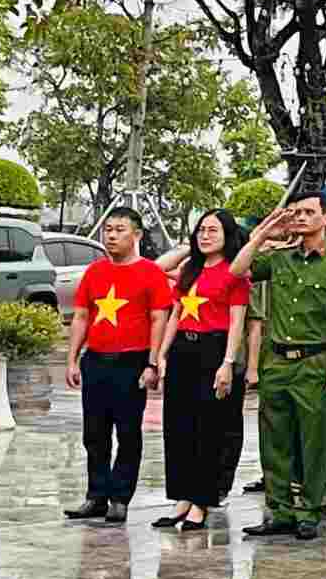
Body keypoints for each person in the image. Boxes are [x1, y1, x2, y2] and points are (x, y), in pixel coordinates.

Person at [230, 193, 326, 540]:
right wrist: (263, 233)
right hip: (277, 361)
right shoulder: (280, 257)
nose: (300, 218)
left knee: (313, 441)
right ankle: (280, 510)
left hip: (315, 360)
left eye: (308, 212)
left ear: (325, 217)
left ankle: (309, 510)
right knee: (274, 440)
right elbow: (237, 271)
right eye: (296, 212)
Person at [64, 207, 173, 526]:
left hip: (132, 360)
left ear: (137, 235)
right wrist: (72, 358)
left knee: (128, 432)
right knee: (94, 433)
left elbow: (159, 319)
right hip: (96, 360)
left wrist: (153, 362)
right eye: (108, 229)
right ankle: (96, 495)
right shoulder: (95, 272)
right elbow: (82, 316)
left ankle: (120, 498)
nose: (111, 235)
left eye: (119, 230)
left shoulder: (151, 273)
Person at [152, 209, 248, 532]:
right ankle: (181, 497)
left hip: (214, 350)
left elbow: (237, 321)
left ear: (228, 236)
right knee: (179, 427)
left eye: (213, 231)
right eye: (201, 230)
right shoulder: (188, 270)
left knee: (210, 429)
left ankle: (202, 502)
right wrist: (161, 355)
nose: (205, 236)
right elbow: (175, 314)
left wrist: (228, 363)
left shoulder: (235, 272)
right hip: (183, 351)